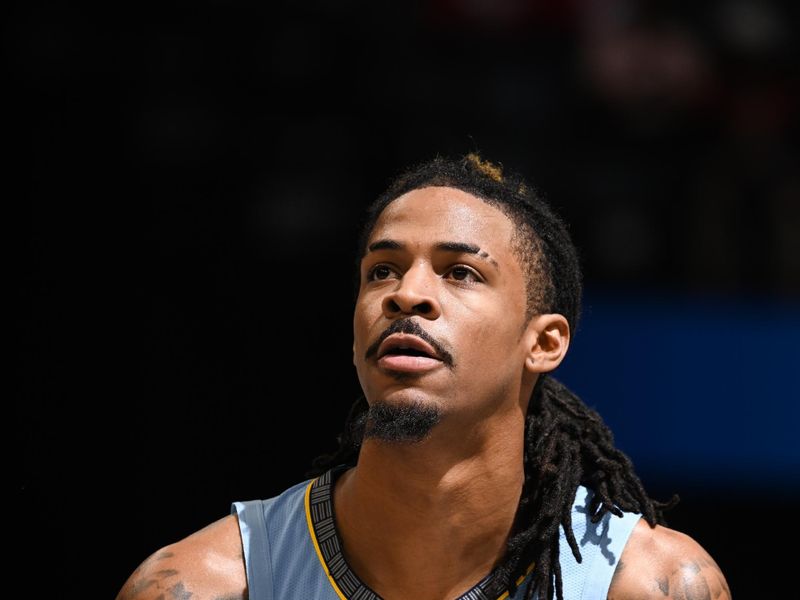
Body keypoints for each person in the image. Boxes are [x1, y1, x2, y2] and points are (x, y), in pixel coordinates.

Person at [116, 153, 732, 600]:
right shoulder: (205, 585)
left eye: (460, 272)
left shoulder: (648, 585)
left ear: (543, 342)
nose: (407, 294)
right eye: (382, 270)